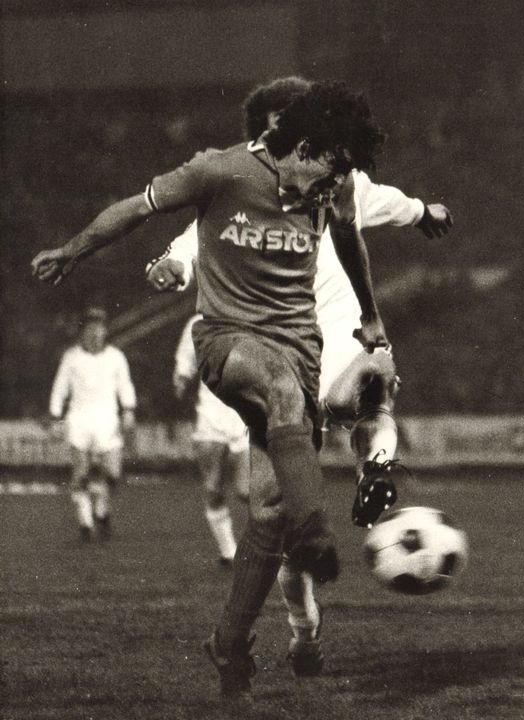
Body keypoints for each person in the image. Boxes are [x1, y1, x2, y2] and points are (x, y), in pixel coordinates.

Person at [30, 80, 402, 696]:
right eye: (326, 175)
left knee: (268, 512)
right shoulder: (221, 171)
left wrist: (372, 314)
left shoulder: (330, 184)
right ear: (302, 148)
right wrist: (75, 250)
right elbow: (136, 208)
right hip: (228, 341)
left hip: (299, 350)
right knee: (280, 397)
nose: (330, 189)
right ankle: (316, 529)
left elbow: (347, 236)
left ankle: (229, 643)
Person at [145, 76, 453, 679]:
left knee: (373, 382)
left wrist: (425, 211)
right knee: (278, 523)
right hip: (278, 352)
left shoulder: (342, 182)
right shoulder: (238, 189)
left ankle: (376, 467)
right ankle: (302, 633)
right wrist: (171, 265)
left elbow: (391, 200)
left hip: (337, 337)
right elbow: (188, 242)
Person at [48, 307, 136, 542]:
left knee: (113, 474)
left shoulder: (116, 357)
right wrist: (56, 416)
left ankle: (101, 509)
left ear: (105, 330)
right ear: (83, 331)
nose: (95, 332)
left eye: (99, 327)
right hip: (79, 418)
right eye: (90, 327)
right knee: (81, 473)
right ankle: (86, 522)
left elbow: (125, 385)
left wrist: (128, 409)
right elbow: (60, 388)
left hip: (107, 419)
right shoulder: (72, 357)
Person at [175, 313, 249, 567]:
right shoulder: (198, 322)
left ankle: (276, 540)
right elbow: (185, 359)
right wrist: (181, 377)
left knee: (247, 490)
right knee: (212, 487)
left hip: (245, 412)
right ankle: (229, 553)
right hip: (210, 413)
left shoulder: (250, 314)